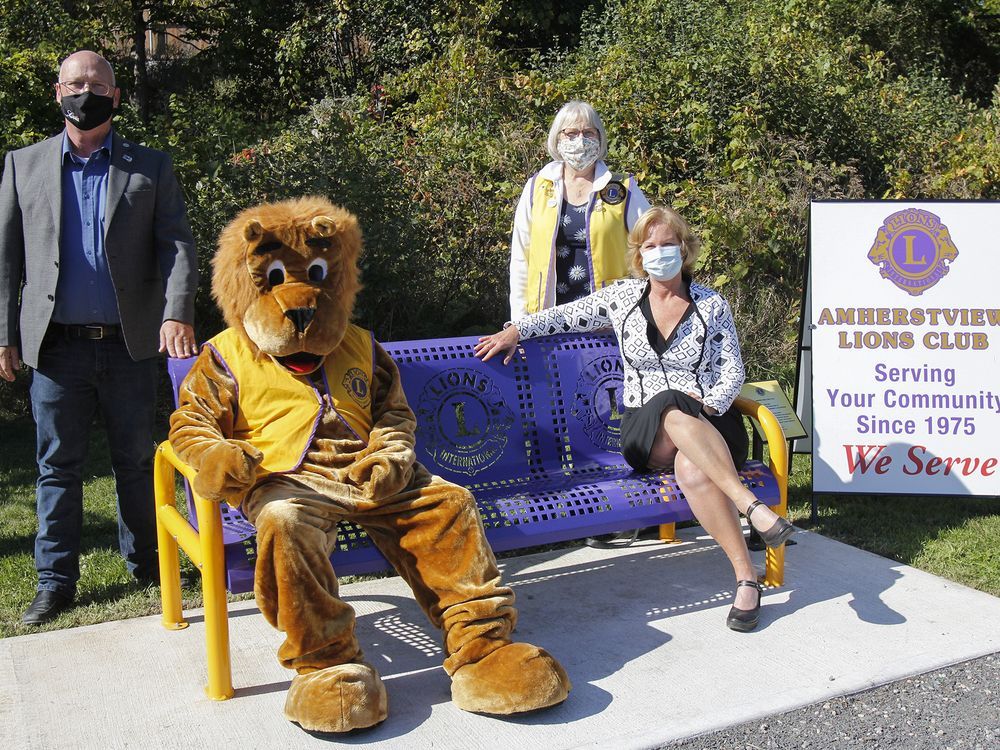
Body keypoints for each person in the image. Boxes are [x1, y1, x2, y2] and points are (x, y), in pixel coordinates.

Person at [477, 205, 794, 632]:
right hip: (646, 433)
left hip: (709, 427)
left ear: (685, 251)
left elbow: (732, 369)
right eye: (650, 246)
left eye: (668, 245)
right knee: (668, 401)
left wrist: (715, 404)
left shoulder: (711, 304)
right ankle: (751, 507)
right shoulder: (622, 298)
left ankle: (744, 579)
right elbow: (564, 315)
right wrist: (517, 329)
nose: (659, 253)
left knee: (691, 467)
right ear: (638, 254)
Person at [0, 50, 199, 625]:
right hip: (55, 347)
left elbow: (176, 246)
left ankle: (148, 564)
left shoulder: (150, 167)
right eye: (75, 83)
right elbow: (6, 258)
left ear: (114, 96)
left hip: (129, 343)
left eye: (97, 84)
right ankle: (55, 580)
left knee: (137, 460)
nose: (84, 92)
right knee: (56, 465)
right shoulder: (23, 164)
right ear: (57, 92)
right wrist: (5, 334)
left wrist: (176, 312)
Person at [509, 100, 650, 319]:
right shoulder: (537, 187)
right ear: (558, 139)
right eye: (571, 133)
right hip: (546, 318)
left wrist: (641, 311)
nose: (580, 141)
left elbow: (651, 247)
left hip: (608, 319)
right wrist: (519, 322)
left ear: (600, 138)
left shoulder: (623, 189)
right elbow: (520, 258)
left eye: (588, 133)